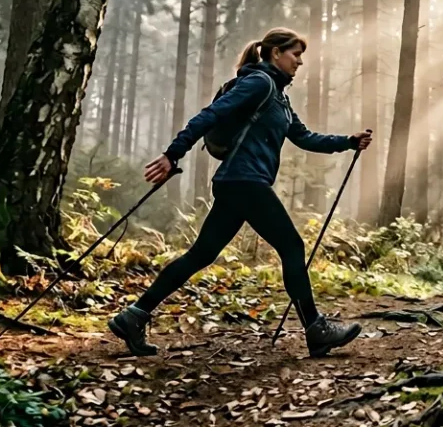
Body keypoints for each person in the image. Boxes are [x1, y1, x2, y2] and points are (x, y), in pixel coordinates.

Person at [108, 27, 373, 358]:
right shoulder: (259, 83)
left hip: (239, 183)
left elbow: (305, 138)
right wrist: (173, 153)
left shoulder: (279, 98)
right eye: (295, 54)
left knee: (201, 254)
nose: (300, 62)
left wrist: (347, 142)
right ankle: (315, 328)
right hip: (245, 182)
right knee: (291, 244)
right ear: (275, 53)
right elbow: (210, 115)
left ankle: (134, 316)